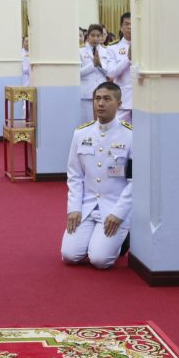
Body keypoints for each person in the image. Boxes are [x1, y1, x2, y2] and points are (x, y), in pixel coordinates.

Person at [61, 82, 132, 269]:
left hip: (114, 207)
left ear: (119, 104)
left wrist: (119, 214)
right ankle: (96, 239)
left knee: (100, 260)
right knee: (69, 255)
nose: (100, 103)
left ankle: (124, 238)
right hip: (87, 206)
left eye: (107, 99)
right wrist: (73, 208)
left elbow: (135, 182)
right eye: (97, 98)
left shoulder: (130, 136)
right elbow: (75, 175)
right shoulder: (81, 133)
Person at [79, 24, 114, 124]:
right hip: (86, 94)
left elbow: (110, 72)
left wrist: (100, 65)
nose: (95, 38)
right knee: (87, 123)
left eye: (98, 36)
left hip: (103, 92)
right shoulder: (80, 51)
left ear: (102, 37)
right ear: (87, 36)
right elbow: (77, 73)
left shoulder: (107, 51)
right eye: (93, 35)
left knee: (102, 122)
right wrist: (93, 65)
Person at [106, 12, 133, 124]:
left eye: (132, 24)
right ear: (121, 27)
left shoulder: (146, 47)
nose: (130, 27)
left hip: (143, 99)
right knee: (119, 130)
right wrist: (127, 59)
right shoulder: (113, 48)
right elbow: (110, 73)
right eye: (126, 24)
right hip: (124, 100)